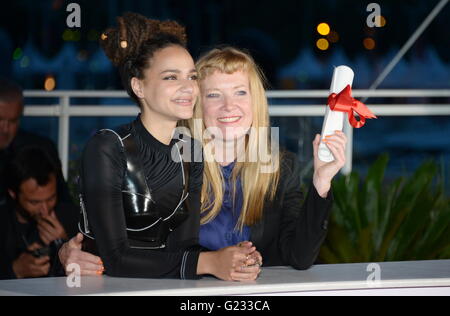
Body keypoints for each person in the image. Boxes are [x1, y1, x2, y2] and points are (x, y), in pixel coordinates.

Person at [59, 46, 346, 275]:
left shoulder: (281, 167)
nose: (229, 106)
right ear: (197, 105)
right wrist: (73, 251)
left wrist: (321, 182)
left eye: (240, 92)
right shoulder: (174, 159)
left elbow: (299, 257)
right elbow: (128, 239)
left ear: (255, 102)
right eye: (213, 95)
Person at [72, 13, 261, 281]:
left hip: (162, 289)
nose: (187, 88)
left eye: (192, 77)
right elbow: (115, 259)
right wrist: (209, 262)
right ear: (139, 86)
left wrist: (234, 258)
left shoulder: (191, 151)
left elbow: (183, 248)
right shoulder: (107, 147)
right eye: (171, 78)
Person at [0, 146, 79, 279]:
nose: (45, 210)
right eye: (34, 202)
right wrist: (14, 270)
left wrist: (66, 246)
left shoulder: (73, 217)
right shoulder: (3, 223)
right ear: (13, 194)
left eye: (51, 198)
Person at [0, 78, 72, 209]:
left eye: (13, 121)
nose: (5, 128)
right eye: (0, 119)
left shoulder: (41, 148)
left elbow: (63, 202)